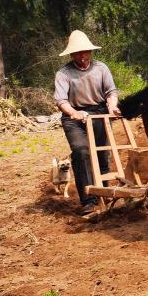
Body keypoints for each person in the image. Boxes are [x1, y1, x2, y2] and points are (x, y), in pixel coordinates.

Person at [54, 30, 121, 215]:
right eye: (77, 53)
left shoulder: (101, 68)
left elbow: (111, 92)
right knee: (82, 152)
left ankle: (105, 192)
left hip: (99, 113)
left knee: (102, 154)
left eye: (85, 52)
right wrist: (74, 112)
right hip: (74, 118)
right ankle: (89, 200)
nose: (82, 56)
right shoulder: (64, 73)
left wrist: (112, 106)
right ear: (71, 54)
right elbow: (61, 100)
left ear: (90, 52)